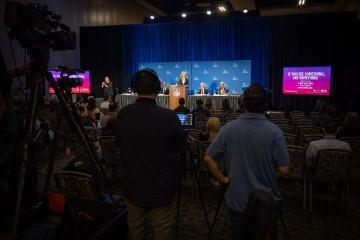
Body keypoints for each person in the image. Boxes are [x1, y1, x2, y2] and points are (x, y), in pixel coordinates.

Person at [204, 83, 290, 240]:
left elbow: (209, 158)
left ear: (242, 103)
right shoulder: (275, 131)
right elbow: (284, 169)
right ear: (265, 104)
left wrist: (223, 179)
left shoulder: (228, 129)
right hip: (267, 202)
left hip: (237, 200)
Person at [115, 68, 186, 240]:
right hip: (162, 189)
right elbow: (181, 149)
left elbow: (119, 146)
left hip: (132, 187)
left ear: (134, 88)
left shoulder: (122, 115)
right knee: (161, 232)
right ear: (157, 89)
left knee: (135, 231)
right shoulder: (169, 117)